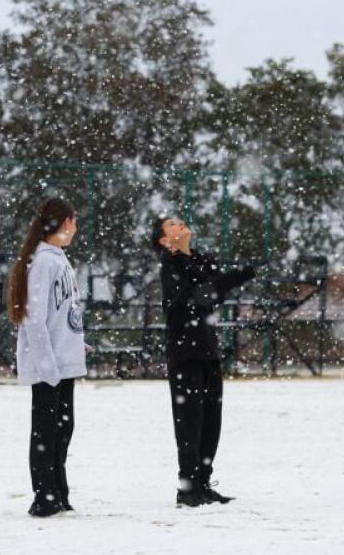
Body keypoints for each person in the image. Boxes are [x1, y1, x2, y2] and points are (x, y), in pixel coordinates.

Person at [150, 216, 257, 507]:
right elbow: (198, 296)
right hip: (185, 353)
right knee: (190, 422)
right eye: (171, 224)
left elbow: (212, 294)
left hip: (208, 350)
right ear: (164, 240)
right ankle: (188, 487)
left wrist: (232, 278)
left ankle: (203, 482)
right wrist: (236, 277)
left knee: (211, 421)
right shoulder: (170, 266)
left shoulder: (200, 262)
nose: (180, 224)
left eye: (179, 221)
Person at [6, 198, 88, 517]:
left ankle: (58, 492)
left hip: (62, 362)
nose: (76, 229)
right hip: (49, 366)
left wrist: (75, 342)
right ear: (66, 223)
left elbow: (60, 311)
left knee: (63, 429)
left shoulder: (58, 259)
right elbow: (34, 318)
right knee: (46, 430)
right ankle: (44, 496)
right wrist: (46, 366)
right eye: (74, 222)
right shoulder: (43, 261)